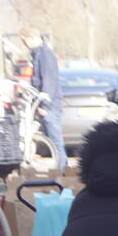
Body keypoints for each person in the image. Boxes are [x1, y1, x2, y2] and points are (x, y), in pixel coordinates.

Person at [30, 30, 67, 171]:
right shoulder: (40, 54)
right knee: (53, 140)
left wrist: (45, 104)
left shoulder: (44, 54)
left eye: (24, 41)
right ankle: (61, 170)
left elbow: (49, 80)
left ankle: (61, 170)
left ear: (32, 38)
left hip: (50, 105)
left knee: (55, 141)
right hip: (49, 104)